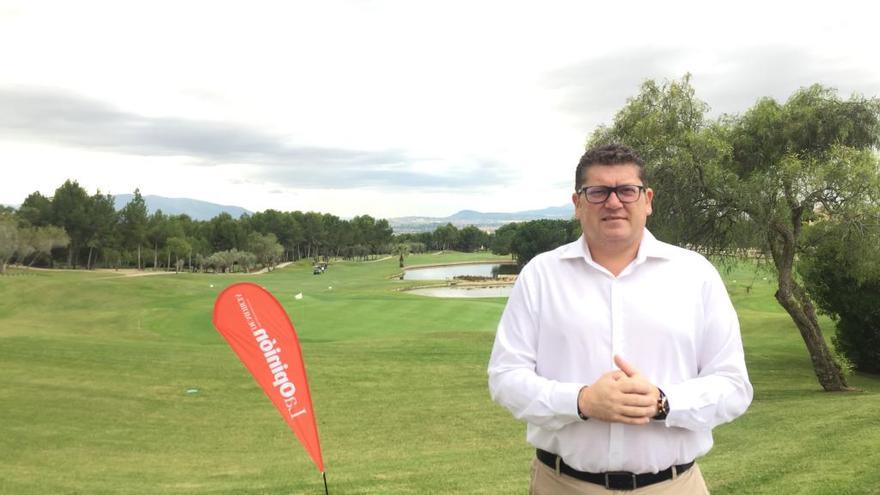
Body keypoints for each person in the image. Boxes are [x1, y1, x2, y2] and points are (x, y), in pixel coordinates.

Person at [487, 144, 752, 494]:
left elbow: (733, 386)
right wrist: (581, 401)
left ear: (648, 200)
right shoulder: (541, 275)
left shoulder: (695, 274)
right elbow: (506, 379)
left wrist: (663, 402)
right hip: (562, 485)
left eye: (627, 190)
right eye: (597, 192)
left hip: (673, 486)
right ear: (577, 204)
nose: (614, 202)